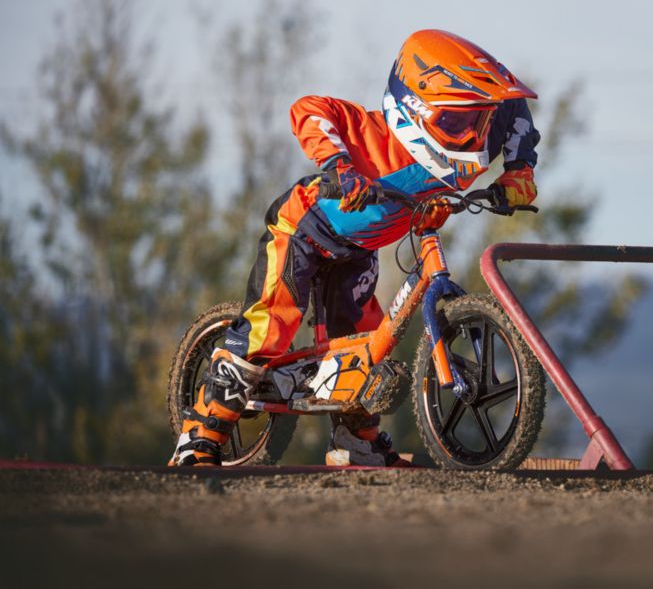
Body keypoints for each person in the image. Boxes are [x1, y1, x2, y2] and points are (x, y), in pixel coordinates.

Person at [169, 29, 541, 467]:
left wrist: (518, 172)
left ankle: (355, 446)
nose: (472, 135)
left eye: (476, 122)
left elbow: (512, 107)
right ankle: (200, 434)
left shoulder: (471, 139)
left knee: (364, 344)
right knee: (268, 326)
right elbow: (308, 110)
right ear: (414, 111)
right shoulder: (372, 134)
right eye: (457, 123)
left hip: (359, 250)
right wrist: (338, 166)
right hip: (303, 232)